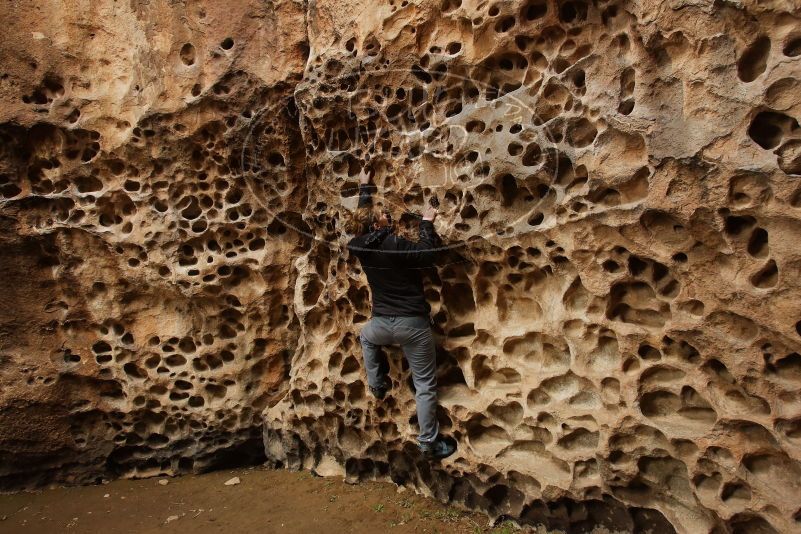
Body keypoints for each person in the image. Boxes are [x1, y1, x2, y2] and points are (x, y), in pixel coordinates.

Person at [344, 165, 456, 460]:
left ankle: (377, 384)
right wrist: (427, 222)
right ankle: (429, 443)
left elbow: (362, 222)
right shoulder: (396, 245)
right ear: (380, 224)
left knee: (365, 337)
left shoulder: (359, 245)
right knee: (425, 386)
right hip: (412, 327)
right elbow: (430, 254)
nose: (386, 214)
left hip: (381, 325)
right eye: (384, 214)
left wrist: (364, 188)